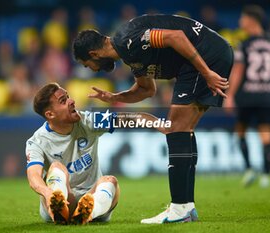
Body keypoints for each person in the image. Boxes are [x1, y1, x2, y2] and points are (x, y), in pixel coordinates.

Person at [72, 14, 233, 224]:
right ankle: (187, 208)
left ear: (93, 54)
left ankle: (180, 208)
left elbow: (175, 37)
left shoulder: (128, 40)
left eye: (88, 65)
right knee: (182, 129)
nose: (92, 70)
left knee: (176, 128)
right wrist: (114, 97)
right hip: (209, 55)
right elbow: (146, 90)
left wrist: (206, 72)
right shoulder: (129, 54)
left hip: (206, 58)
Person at [25, 82, 120, 225]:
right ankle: (59, 206)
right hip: (64, 196)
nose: (72, 101)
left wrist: (159, 123)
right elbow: (33, 176)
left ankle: (88, 209)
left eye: (68, 96)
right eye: (63, 101)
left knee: (109, 181)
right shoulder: (37, 141)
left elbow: (129, 119)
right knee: (57, 167)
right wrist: (47, 193)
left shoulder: (87, 120)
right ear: (50, 114)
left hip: (92, 195)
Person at [223, 5, 270, 188]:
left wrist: (230, 95)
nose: (240, 22)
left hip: (247, 94)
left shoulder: (245, 44)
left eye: (242, 18)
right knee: (266, 135)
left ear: (251, 20)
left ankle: (250, 169)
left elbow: (238, 71)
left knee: (240, 131)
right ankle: (266, 176)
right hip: (267, 94)